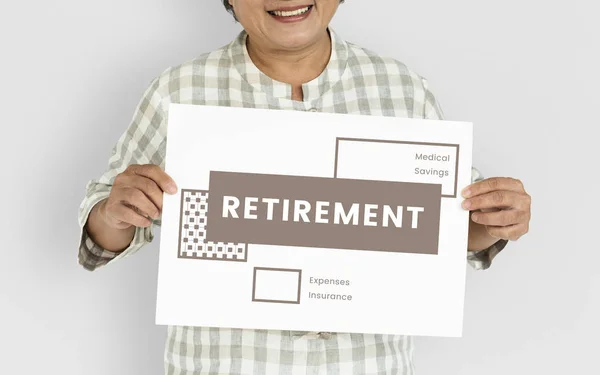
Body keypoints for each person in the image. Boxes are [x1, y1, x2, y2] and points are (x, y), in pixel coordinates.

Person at [77, 1, 532, 373]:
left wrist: (496, 220)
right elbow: (102, 234)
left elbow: (452, 233)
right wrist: (114, 212)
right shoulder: (179, 91)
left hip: (366, 364)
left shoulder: (403, 89)